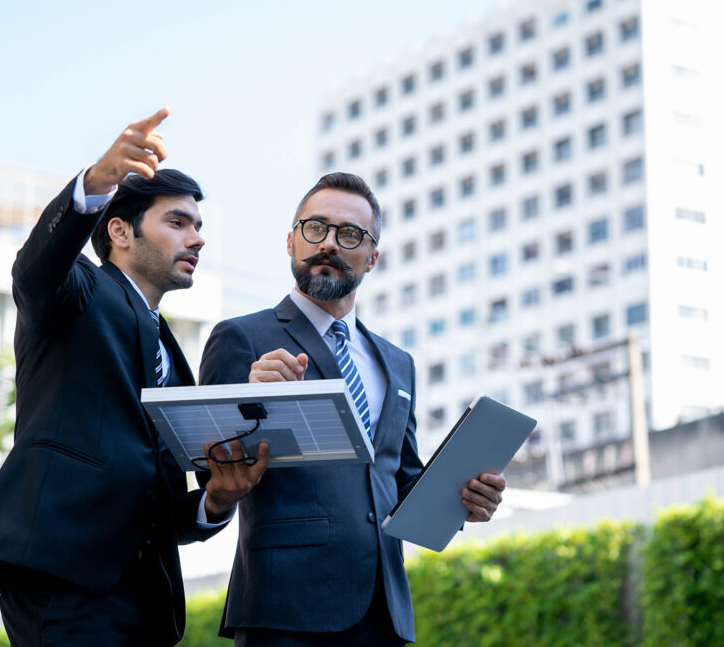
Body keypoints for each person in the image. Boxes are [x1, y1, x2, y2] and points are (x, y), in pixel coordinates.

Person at [0, 109, 268, 646]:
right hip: (61, 573)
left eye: (199, 227)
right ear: (120, 230)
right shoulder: (77, 289)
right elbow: (33, 272)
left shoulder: (173, 356)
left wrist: (216, 502)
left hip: (144, 599)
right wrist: (96, 183)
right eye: (177, 222)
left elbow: (160, 502)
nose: (196, 239)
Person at [198, 172, 507, 645]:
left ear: (373, 257)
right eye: (315, 227)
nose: (328, 243)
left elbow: (399, 479)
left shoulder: (398, 364)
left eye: (349, 234)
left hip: (383, 608)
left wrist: (462, 499)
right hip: (285, 605)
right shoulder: (242, 337)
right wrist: (249, 398)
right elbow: (210, 465)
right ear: (291, 240)